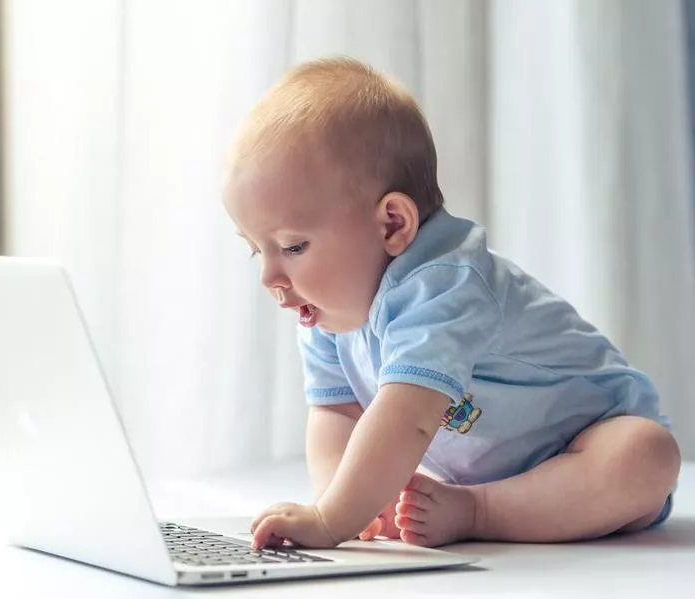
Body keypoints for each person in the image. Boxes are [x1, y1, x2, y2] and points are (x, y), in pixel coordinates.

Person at [221, 56, 681, 550]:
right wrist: (346, 506)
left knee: (646, 453)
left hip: (589, 446)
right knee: (383, 465)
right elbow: (337, 414)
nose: (270, 277)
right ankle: (473, 502)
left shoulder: (441, 283)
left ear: (393, 224)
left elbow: (409, 414)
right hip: (492, 467)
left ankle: (479, 511)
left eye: (292, 247)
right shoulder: (327, 312)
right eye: (256, 250)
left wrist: (331, 520)